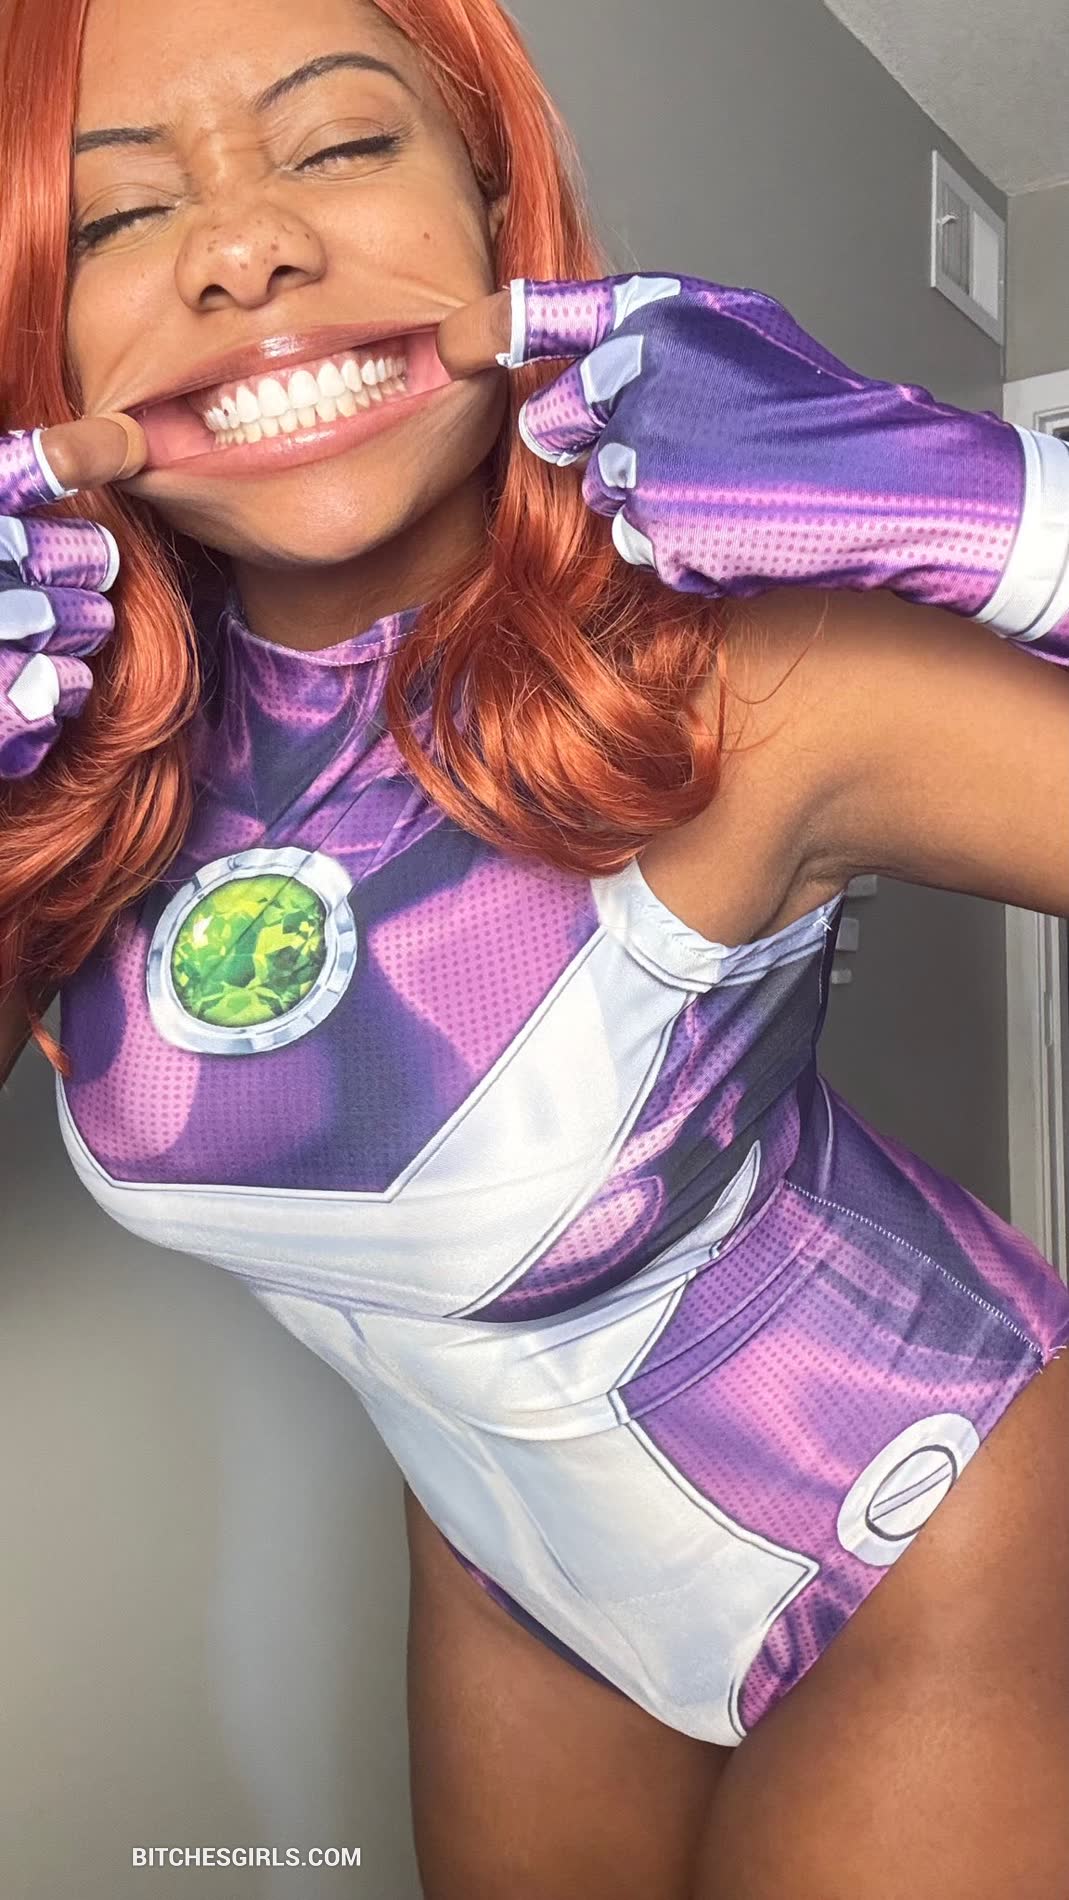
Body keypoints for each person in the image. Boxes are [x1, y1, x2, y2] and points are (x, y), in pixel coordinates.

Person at [0, 0, 1067, 1893]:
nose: (245, 247)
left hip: (943, 1530)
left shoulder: (759, 682)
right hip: (510, 1580)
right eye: (117, 215)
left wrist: (1023, 523)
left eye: (341, 144)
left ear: (494, 213)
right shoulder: (73, 759)